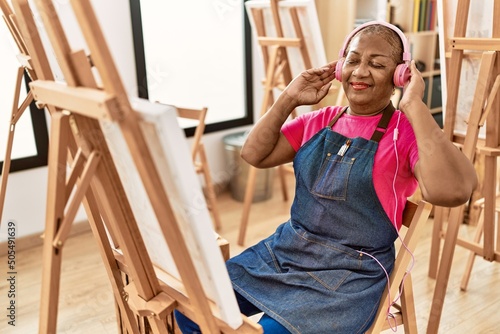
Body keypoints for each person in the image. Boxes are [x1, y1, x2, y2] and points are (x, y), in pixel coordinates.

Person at [175, 21, 477, 334]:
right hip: (288, 250)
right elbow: (254, 154)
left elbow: (452, 191)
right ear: (338, 67)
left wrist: (414, 105)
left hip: (350, 274)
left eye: (376, 64)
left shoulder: (406, 133)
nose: (360, 71)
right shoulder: (318, 121)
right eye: (353, 60)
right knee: (195, 306)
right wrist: (289, 97)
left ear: (400, 75)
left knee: (269, 331)